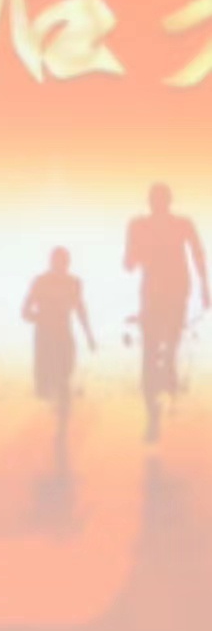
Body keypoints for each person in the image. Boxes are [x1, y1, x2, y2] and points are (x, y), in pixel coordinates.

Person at [125, 183, 206, 444]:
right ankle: (163, 382)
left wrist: (206, 287)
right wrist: (205, 288)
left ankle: (153, 412)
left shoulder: (143, 225)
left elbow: (129, 262)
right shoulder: (176, 224)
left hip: (162, 291)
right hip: (169, 290)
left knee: (154, 348)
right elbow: (198, 255)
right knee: (164, 344)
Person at [24, 247, 95, 441]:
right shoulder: (40, 281)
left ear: (67, 263)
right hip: (44, 336)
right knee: (47, 385)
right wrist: (38, 317)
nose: (61, 265)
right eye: (58, 261)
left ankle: (62, 421)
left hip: (64, 333)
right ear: (51, 262)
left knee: (65, 373)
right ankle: (59, 420)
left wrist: (89, 336)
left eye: (64, 261)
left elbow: (80, 308)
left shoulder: (74, 282)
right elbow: (25, 310)